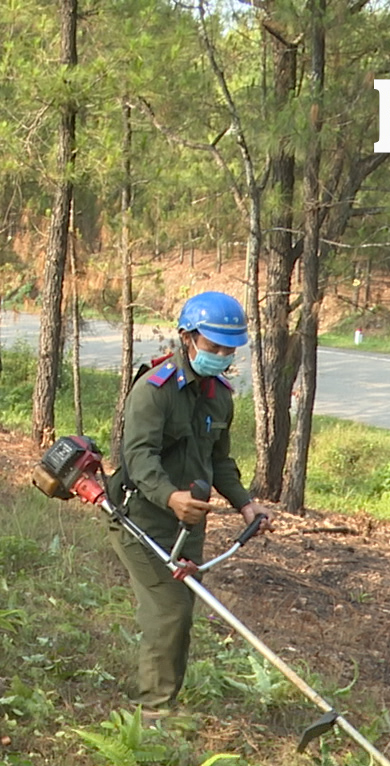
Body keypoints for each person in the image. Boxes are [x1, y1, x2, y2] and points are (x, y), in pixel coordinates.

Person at [108, 291, 271, 719]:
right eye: (213, 346)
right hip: (142, 520)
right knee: (168, 611)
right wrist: (170, 497)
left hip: (188, 525)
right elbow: (138, 458)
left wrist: (246, 505)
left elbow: (219, 460)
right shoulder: (153, 391)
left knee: (180, 613)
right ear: (187, 337)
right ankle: (155, 712)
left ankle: (165, 701)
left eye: (228, 348)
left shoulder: (220, 396)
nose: (220, 355)